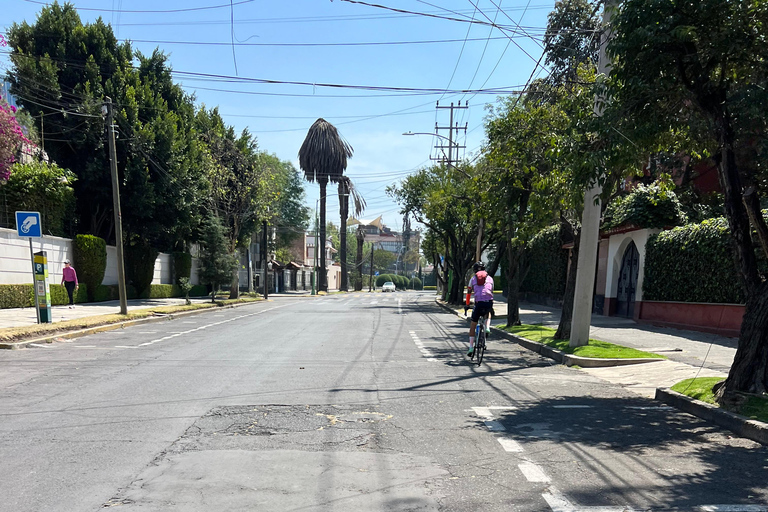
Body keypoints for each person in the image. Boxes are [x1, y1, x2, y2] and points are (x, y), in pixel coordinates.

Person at [466, 261, 493, 357]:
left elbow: (469, 293)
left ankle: (470, 347)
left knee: (473, 324)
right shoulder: (490, 278)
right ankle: (487, 327)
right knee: (488, 312)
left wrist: (467, 305)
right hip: (488, 302)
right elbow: (491, 291)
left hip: (478, 303)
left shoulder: (473, 279)